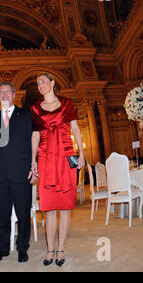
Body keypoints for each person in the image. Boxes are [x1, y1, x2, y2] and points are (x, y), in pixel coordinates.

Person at [29, 73, 85, 267]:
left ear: (52, 83)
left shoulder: (67, 103)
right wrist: (33, 160)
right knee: (49, 206)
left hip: (67, 155)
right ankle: (50, 249)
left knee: (65, 205)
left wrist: (82, 154)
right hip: (45, 158)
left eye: (43, 81)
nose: (40, 85)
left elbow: (76, 129)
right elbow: (35, 137)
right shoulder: (35, 108)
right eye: (38, 83)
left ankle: (60, 249)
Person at [0, 81, 33, 263]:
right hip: (0, 176)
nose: (5, 95)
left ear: (14, 95)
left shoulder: (26, 115)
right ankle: (3, 249)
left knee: (23, 215)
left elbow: (34, 142)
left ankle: (22, 248)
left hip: (21, 173)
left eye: (8, 92)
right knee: (2, 216)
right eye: (1, 93)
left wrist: (34, 165)